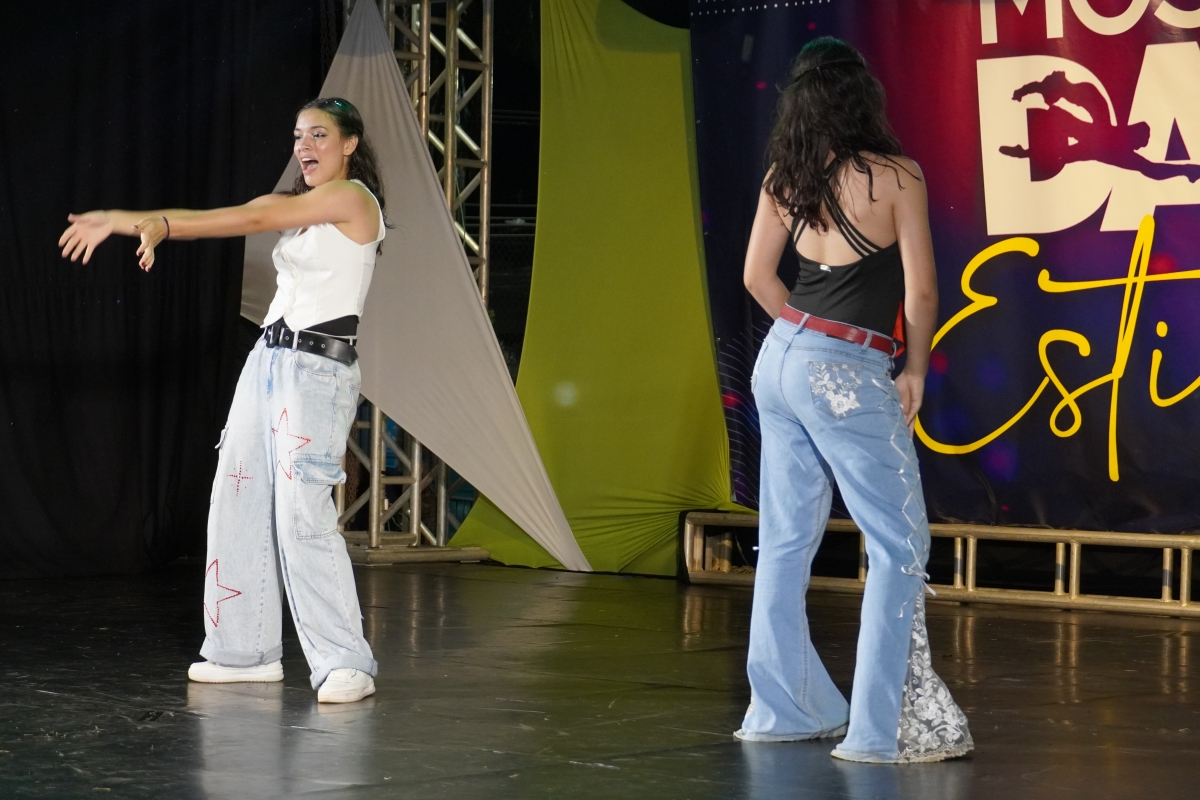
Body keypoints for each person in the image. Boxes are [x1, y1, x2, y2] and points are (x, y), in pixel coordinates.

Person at [58, 97, 385, 704]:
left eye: (319, 134)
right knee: (237, 499)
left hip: (316, 368)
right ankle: (243, 652)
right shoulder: (298, 206)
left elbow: (247, 220)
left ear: (349, 144)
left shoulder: (353, 198)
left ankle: (345, 661)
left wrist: (163, 225)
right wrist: (119, 219)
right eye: (298, 136)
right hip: (267, 360)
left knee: (302, 513)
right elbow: (229, 213)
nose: (304, 146)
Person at [737, 38, 973, 762]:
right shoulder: (897, 176)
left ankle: (782, 710)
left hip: (778, 360)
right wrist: (915, 370)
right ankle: (877, 730)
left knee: (784, 541)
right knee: (900, 545)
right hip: (844, 370)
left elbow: (756, 278)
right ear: (862, 97)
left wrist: (800, 340)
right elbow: (921, 293)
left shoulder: (786, 174)